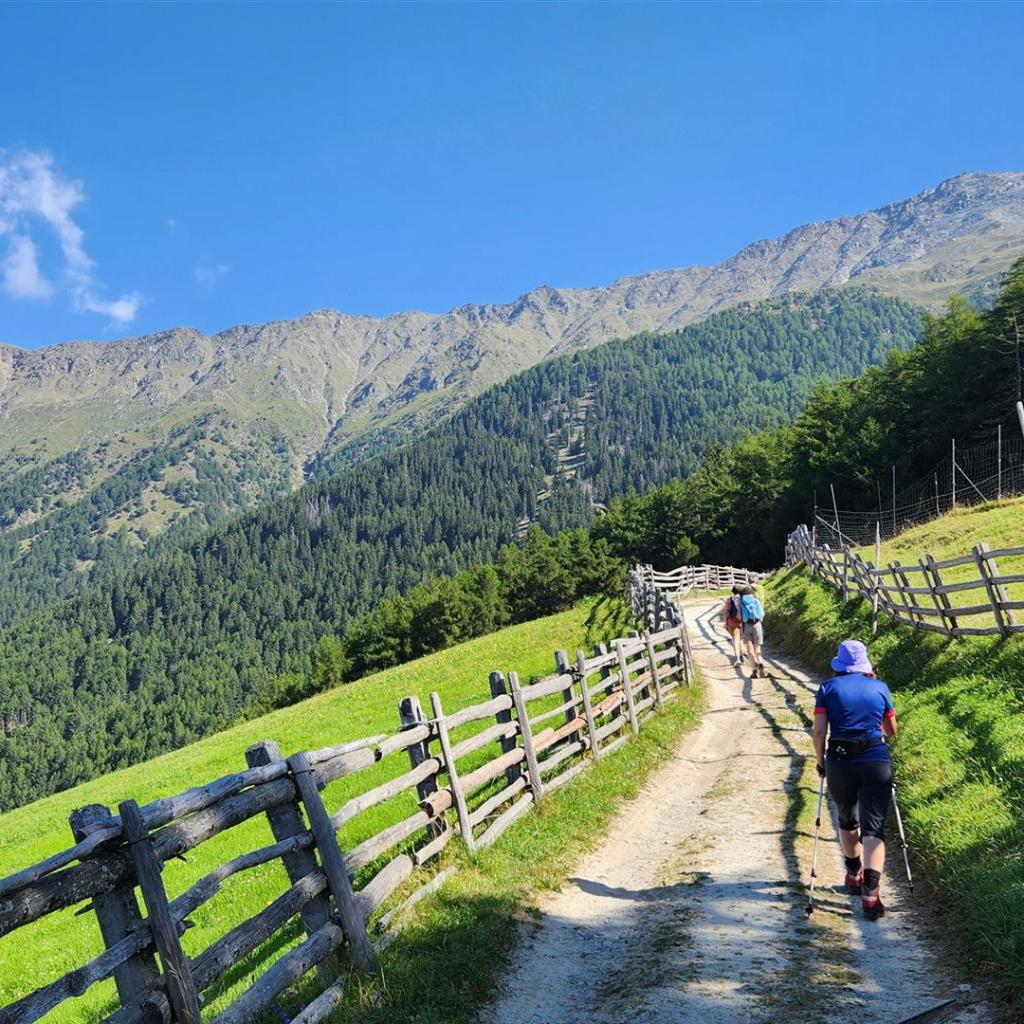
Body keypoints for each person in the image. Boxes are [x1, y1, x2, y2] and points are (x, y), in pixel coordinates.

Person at [812, 639, 898, 921]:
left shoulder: (827, 688)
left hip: (840, 760)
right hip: (875, 760)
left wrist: (821, 762)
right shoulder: (880, 687)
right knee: (874, 827)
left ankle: (852, 874)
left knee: (847, 819)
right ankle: (871, 894)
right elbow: (891, 729)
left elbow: (819, 732)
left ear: (839, 664)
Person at [739, 585, 766, 678]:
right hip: (757, 624)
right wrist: (759, 621)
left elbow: (739, 616)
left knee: (750, 649)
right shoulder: (756, 601)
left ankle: (754, 669)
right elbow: (761, 614)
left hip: (747, 625)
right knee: (758, 648)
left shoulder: (741, 602)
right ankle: (760, 662)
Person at [722, 585, 744, 667]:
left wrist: (725, 622)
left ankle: (737, 658)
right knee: (741, 639)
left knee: (735, 640)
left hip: (732, 622)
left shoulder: (729, 600)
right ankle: (742, 656)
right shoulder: (743, 599)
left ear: (733, 591)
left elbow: (725, 612)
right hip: (743, 622)